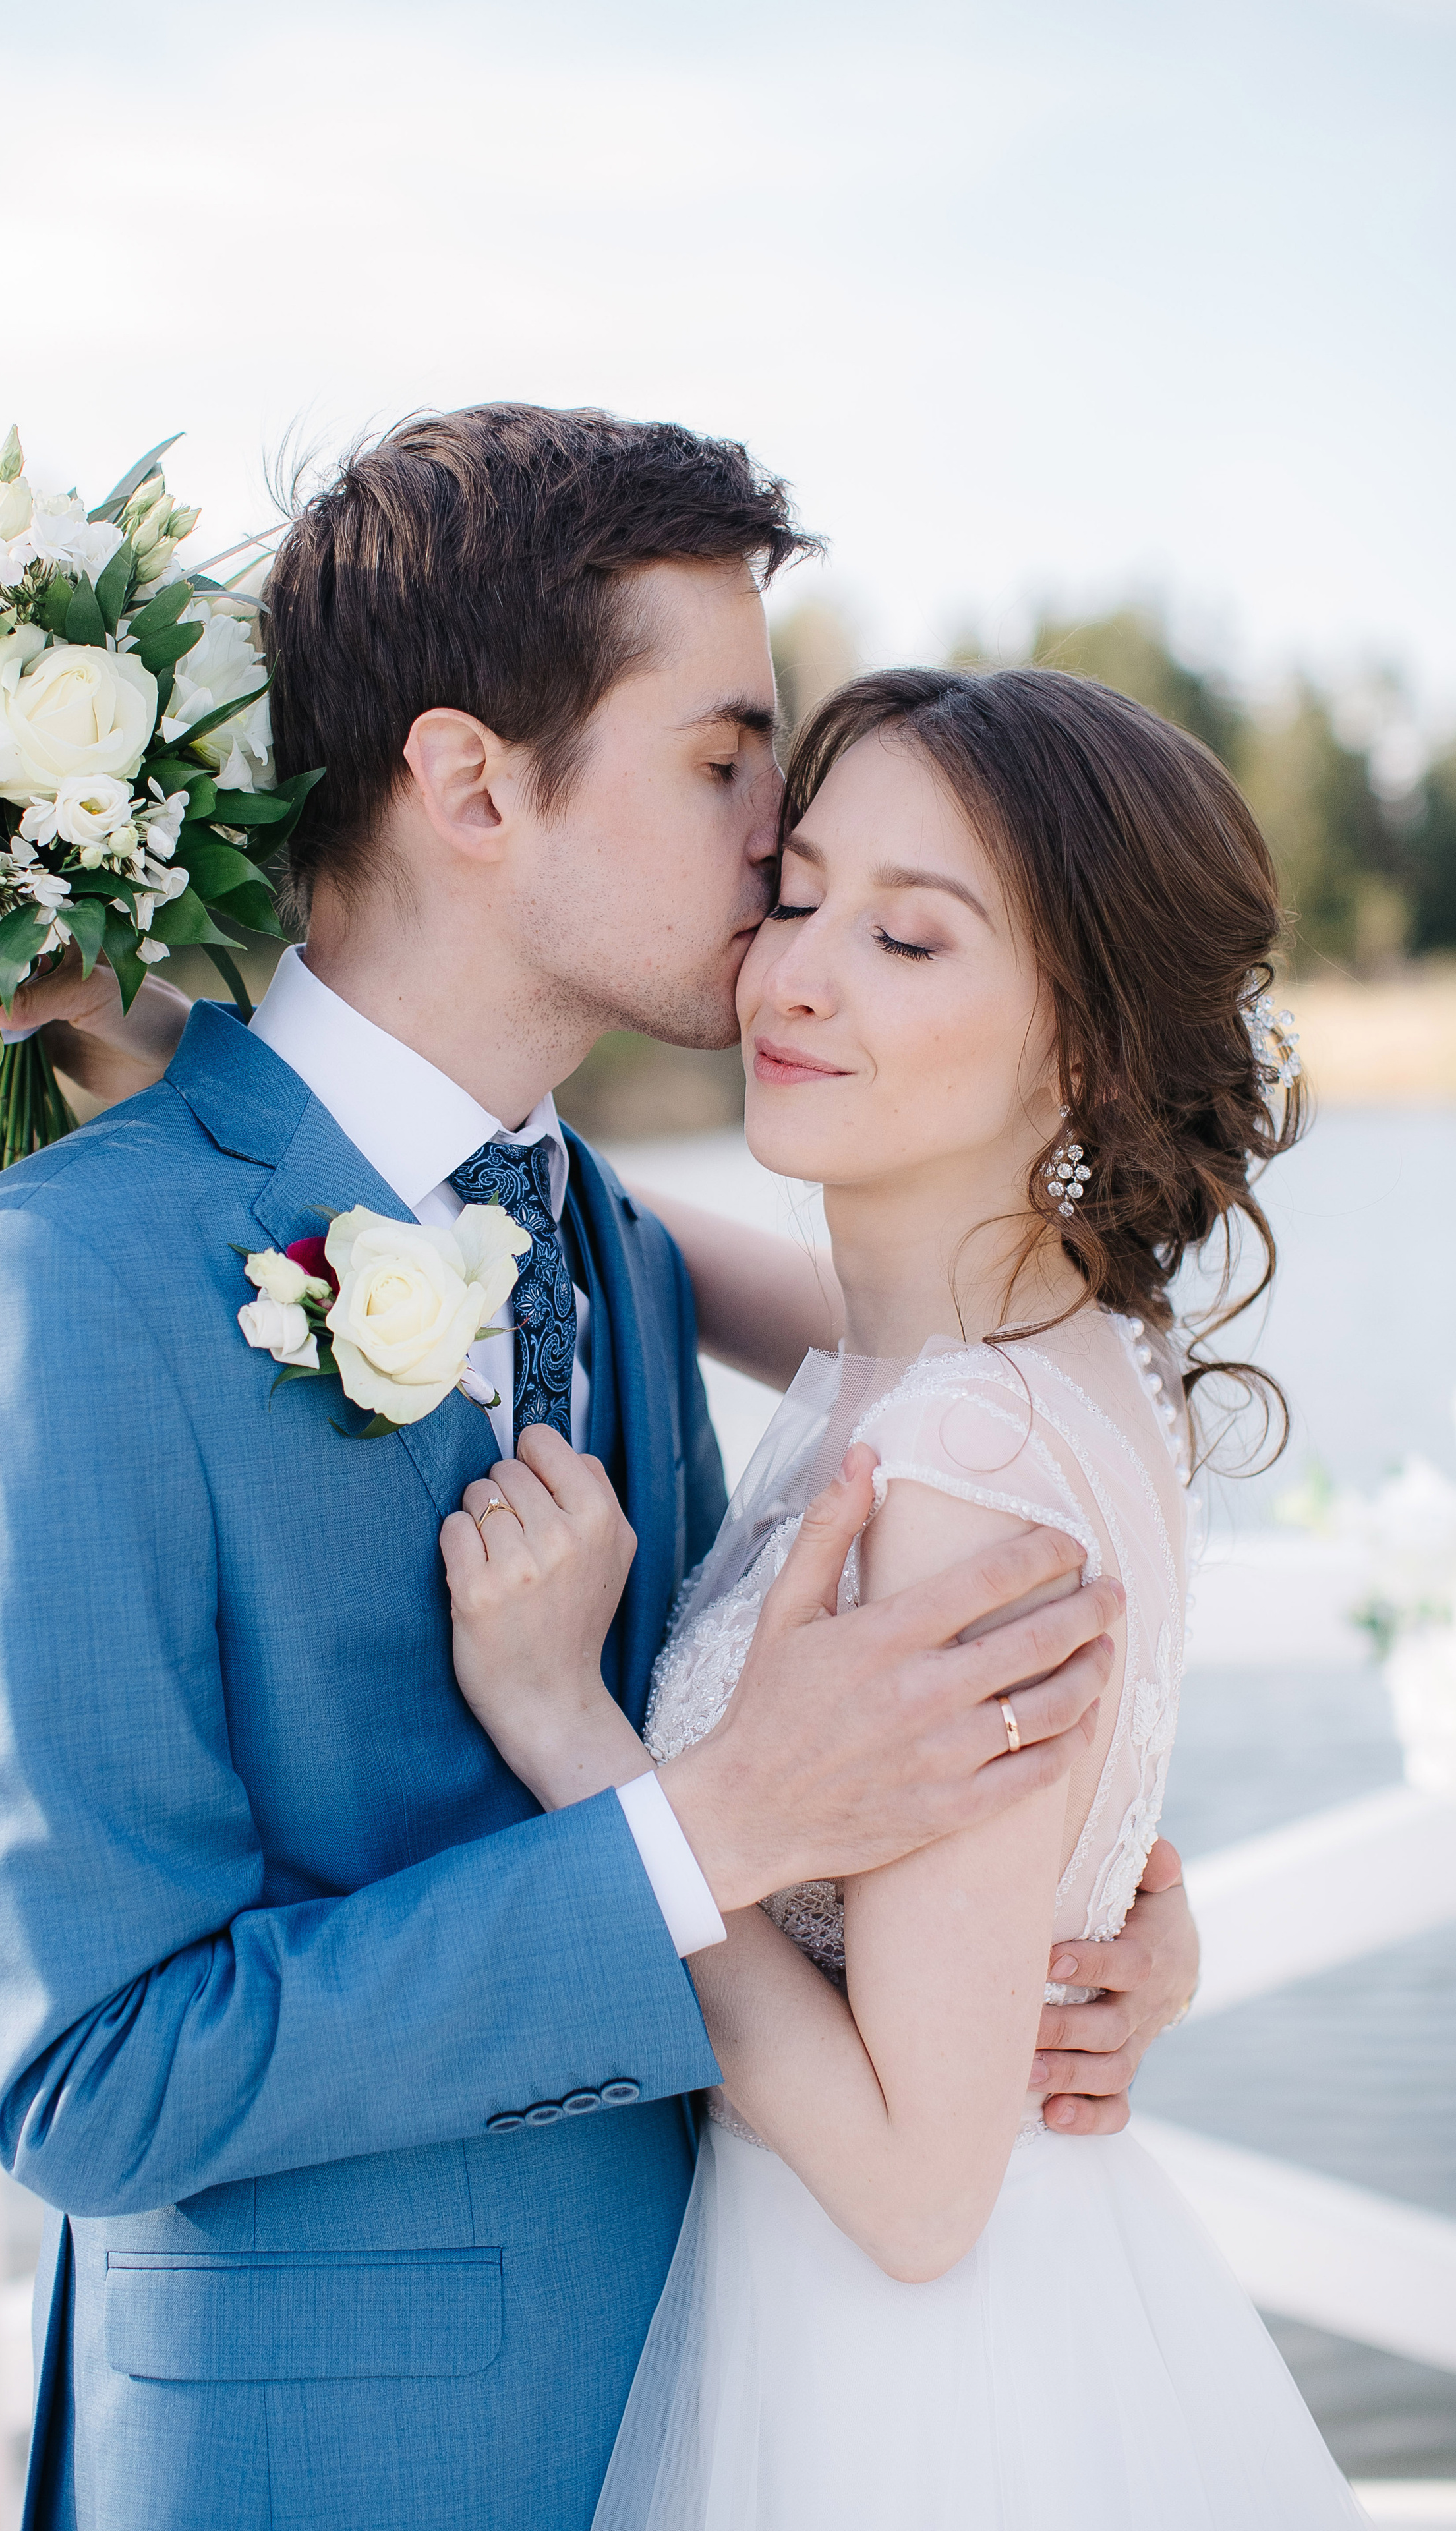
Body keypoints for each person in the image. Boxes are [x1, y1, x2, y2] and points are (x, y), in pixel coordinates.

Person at [0, 409, 1194, 2531]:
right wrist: (708, 1832)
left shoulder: (614, 1241)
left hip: (770, 2414)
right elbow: (93, 2081)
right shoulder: (46, 1302)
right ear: (476, 783)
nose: (781, 836)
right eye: (728, 762)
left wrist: (1101, 1927)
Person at [438, 663, 1366, 2527]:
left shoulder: (964, 1469)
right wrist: (178, 1034)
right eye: (799, 898)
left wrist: (580, 1738)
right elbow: (610, 1224)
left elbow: (916, 2186)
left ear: (1084, 1047)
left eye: (911, 940)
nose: (795, 977)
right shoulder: (991, 1351)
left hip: (897, 2371)